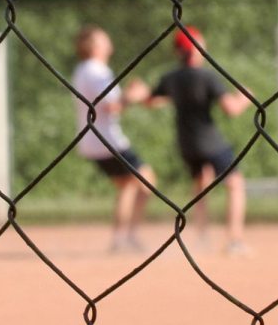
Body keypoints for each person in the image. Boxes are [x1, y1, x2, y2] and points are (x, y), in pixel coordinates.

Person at [134, 26, 251, 255]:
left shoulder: (171, 77)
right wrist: (245, 97)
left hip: (186, 142)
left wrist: (142, 92)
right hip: (211, 141)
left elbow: (151, 100)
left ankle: (202, 236)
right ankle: (234, 239)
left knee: (200, 184)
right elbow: (231, 109)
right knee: (235, 184)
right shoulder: (207, 76)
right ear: (197, 50)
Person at [70, 26, 155, 252]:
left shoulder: (82, 70)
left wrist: (126, 95)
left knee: (128, 185)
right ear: (94, 47)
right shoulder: (97, 71)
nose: (109, 43)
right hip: (109, 141)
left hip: (92, 142)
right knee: (147, 183)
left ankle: (122, 237)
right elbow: (113, 106)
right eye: (103, 40)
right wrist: (134, 96)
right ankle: (127, 236)